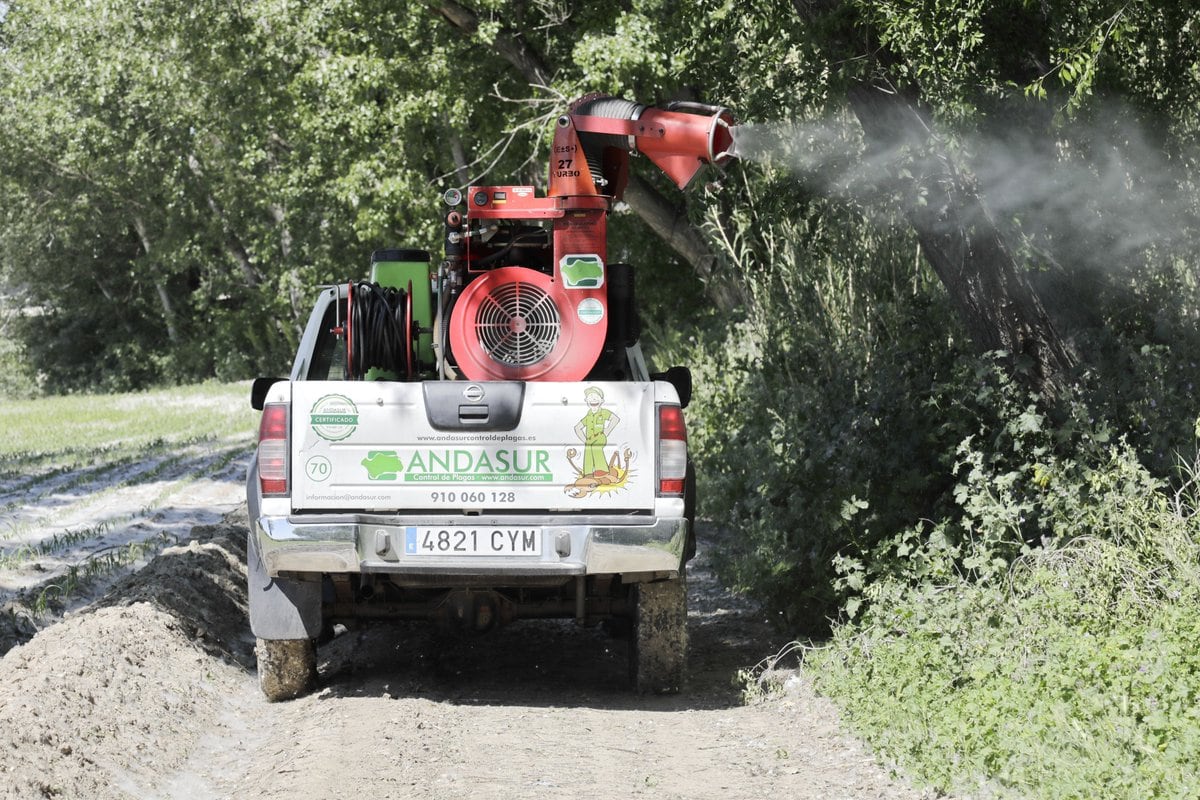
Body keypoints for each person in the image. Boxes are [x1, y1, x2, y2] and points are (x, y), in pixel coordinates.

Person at [574, 387, 619, 475]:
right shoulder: (589, 415)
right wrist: (585, 440)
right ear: (586, 400)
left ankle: (602, 470)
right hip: (590, 439)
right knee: (588, 449)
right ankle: (588, 473)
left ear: (601, 400)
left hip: (600, 437)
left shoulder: (603, 412)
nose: (593, 399)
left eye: (596, 397)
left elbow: (615, 419)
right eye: (590, 397)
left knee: (596, 447)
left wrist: (607, 431)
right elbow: (577, 427)